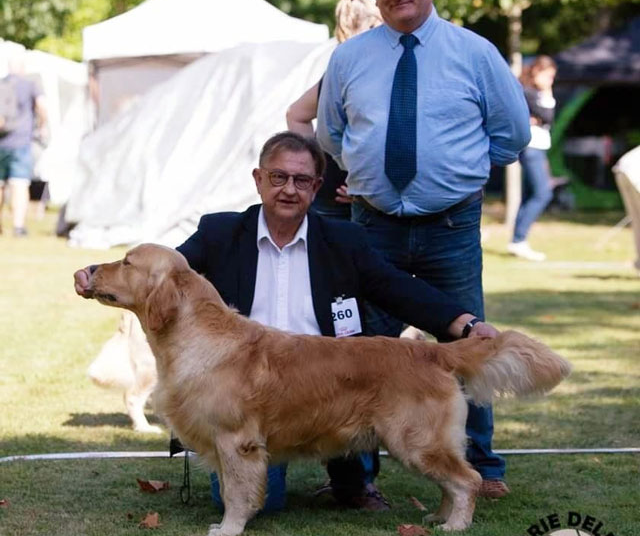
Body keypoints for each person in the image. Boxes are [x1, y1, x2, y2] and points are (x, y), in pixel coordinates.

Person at [170, 131, 498, 511]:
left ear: (317, 187)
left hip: (333, 384)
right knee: (260, 501)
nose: (289, 190)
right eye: (278, 178)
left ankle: (355, 479)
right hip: (245, 393)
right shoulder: (220, 233)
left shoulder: (343, 239)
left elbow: (397, 289)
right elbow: (165, 272)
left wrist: (467, 324)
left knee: (361, 406)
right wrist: (103, 277)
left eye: (301, 180)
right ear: (258, 179)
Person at [316, 0, 531, 499]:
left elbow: (514, 133)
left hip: (451, 227)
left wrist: (461, 172)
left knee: (469, 343)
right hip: (372, 228)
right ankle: (358, 480)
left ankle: (483, 469)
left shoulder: (475, 53)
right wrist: (366, 172)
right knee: (361, 352)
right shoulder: (348, 58)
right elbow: (331, 134)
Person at [286, 0, 382, 219]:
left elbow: (296, 114)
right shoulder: (348, 73)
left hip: (342, 195)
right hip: (341, 201)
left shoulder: (342, 70)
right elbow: (296, 114)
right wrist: (315, 171)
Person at [507, 55, 558, 261]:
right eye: (548, 77)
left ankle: (518, 240)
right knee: (542, 193)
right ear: (537, 72)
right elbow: (548, 116)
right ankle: (519, 239)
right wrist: (546, 96)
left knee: (530, 194)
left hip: (538, 147)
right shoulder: (527, 92)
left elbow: (546, 118)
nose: (550, 82)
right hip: (531, 148)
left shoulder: (534, 94)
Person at [0, 53, 46, 236]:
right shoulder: (30, 83)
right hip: (21, 141)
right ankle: (18, 226)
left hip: (1, 142)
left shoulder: (1, 84)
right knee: (19, 184)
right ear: (23, 68)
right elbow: (42, 106)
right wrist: (42, 126)